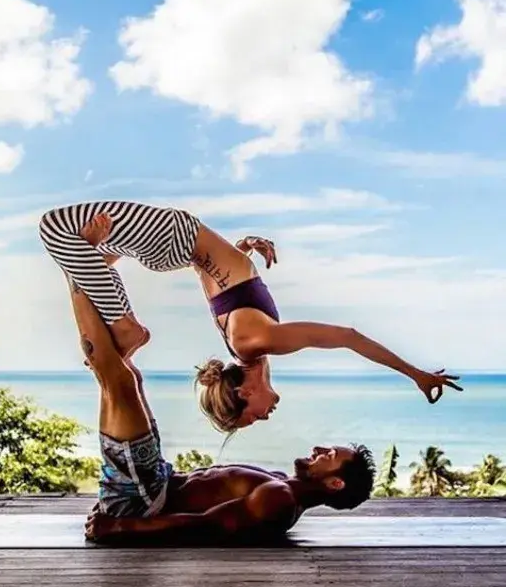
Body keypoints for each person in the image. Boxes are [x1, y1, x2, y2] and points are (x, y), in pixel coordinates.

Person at [39, 200, 463, 436]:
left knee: (55, 229)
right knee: (78, 248)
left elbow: (348, 336)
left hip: (173, 236)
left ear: (244, 395)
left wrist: (414, 374)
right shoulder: (242, 343)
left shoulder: (253, 343)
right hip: (172, 244)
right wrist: (239, 250)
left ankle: (125, 327)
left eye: (249, 418)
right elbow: (214, 271)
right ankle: (117, 315)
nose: (262, 418)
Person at [62, 268, 376, 543]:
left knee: (120, 381)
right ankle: (80, 274)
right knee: (126, 378)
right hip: (151, 485)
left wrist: (120, 526)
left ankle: (76, 271)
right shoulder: (280, 484)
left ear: (335, 483)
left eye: (329, 456)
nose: (320, 449)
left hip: (145, 501)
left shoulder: (280, 500)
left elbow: (208, 525)